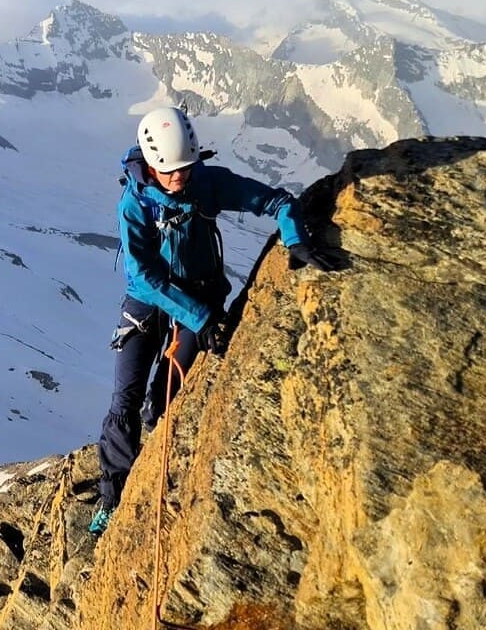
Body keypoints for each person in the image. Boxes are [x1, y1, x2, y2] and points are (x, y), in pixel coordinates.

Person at [89, 106, 335, 536]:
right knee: (124, 399)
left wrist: (295, 239)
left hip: (196, 297)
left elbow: (277, 201)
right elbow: (143, 276)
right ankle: (113, 498)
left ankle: (153, 467)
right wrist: (200, 317)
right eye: (170, 171)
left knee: (165, 401)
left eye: (185, 168)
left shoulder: (206, 183)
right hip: (155, 301)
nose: (179, 177)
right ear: (151, 164)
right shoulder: (135, 202)